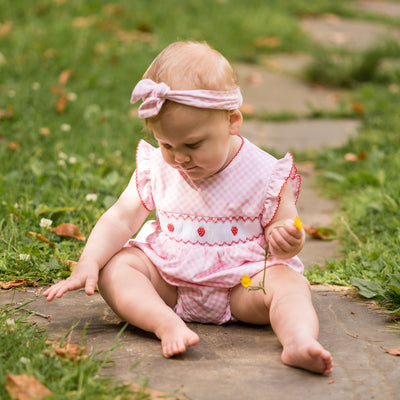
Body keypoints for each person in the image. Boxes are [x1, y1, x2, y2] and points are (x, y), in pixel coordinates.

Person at [43, 41, 333, 375]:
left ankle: (298, 340)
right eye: (167, 144)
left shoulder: (266, 174)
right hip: (169, 280)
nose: (179, 158)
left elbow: (285, 225)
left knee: (288, 284)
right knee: (117, 269)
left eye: (193, 145)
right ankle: (164, 323)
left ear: (232, 121)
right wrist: (89, 261)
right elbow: (121, 217)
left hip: (243, 284)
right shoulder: (156, 166)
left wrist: (289, 239)